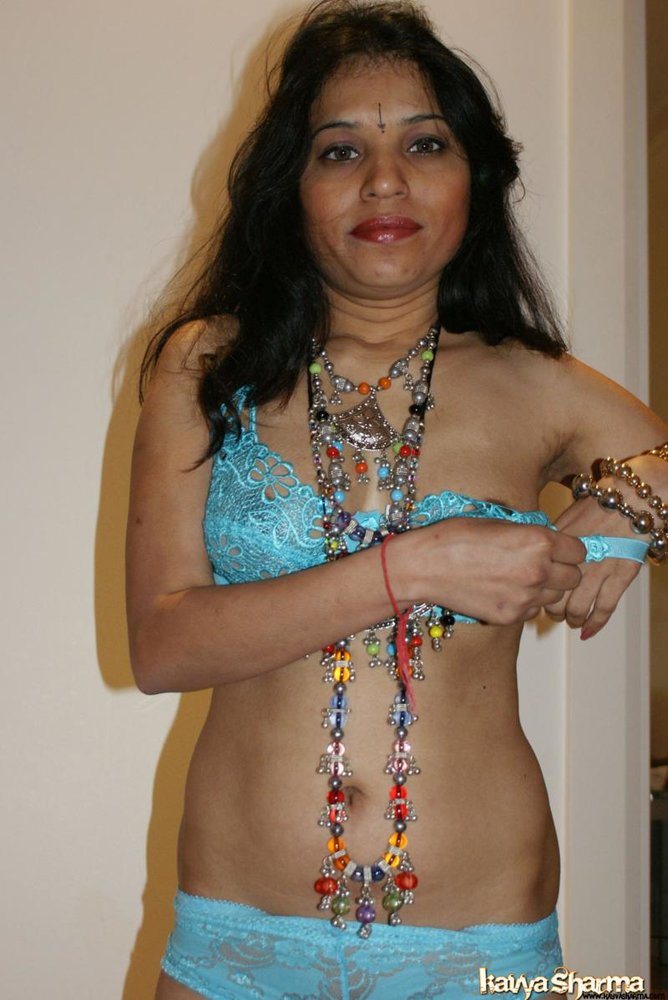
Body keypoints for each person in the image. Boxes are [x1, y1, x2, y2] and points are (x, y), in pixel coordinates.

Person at [126, 1, 668, 996]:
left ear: (476, 179)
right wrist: (412, 566)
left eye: (425, 143)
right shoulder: (206, 364)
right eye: (339, 151)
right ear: (291, 186)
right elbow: (161, 648)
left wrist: (639, 498)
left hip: (485, 948)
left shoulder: (537, 382)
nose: (384, 180)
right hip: (236, 948)